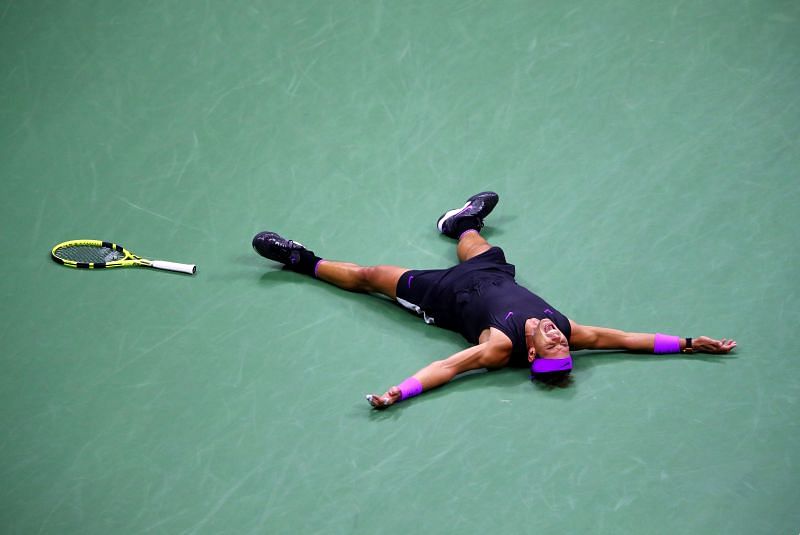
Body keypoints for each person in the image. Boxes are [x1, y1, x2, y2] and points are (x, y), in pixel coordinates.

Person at [252, 191, 736, 409]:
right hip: (486, 273)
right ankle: (458, 222)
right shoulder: (568, 330)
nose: (557, 337)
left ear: (530, 355)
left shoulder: (498, 348)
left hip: (442, 296)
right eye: (562, 345)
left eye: (553, 347)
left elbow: (446, 367)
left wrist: (399, 392)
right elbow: (630, 340)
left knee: (370, 275)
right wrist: (691, 342)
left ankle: (299, 260)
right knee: (474, 243)